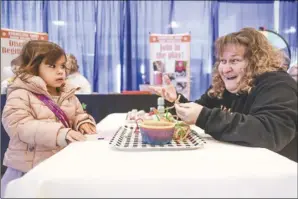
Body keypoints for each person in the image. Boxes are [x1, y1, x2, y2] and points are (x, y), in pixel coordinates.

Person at [150, 27, 297, 152]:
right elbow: (199, 110)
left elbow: (270, 133)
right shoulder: (222, 86)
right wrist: (175, 99)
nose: (225, 69)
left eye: (234, 60)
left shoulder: (278, 84)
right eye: (223, 61)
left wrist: (204, 117)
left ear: (256, 62)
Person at [1, 40, 97, 197]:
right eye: (52, 66)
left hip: (56, 166)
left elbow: (77, 113)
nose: (60, 71)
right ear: (33, 67)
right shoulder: (20, 93)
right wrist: (61, 134)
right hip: (27, 171)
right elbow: (19, 126)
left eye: (62, 66)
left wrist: (83, 122)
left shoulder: (67, 93)